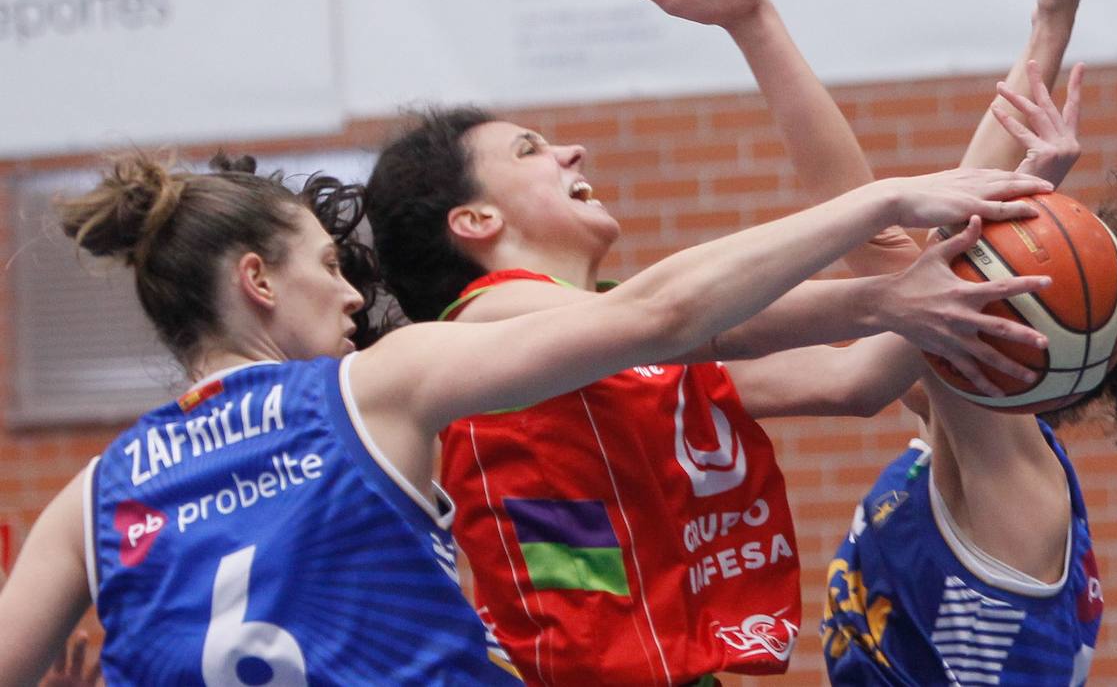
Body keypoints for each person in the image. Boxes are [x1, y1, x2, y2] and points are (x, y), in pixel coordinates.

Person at [0, 149, 1054, 686]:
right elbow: (657, 315)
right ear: (257, 281)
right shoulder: (376, 385)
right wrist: (881, 201)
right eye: (327, 266)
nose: (354, 295)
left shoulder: (92, 496)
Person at [623, 0, 1117, 684]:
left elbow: (898, 250)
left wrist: (755, 20)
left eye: (1003, 269)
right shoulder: (972, 427)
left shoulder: (1009, 478)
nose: (959, 276)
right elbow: (890, 240)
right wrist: (1048, 27)